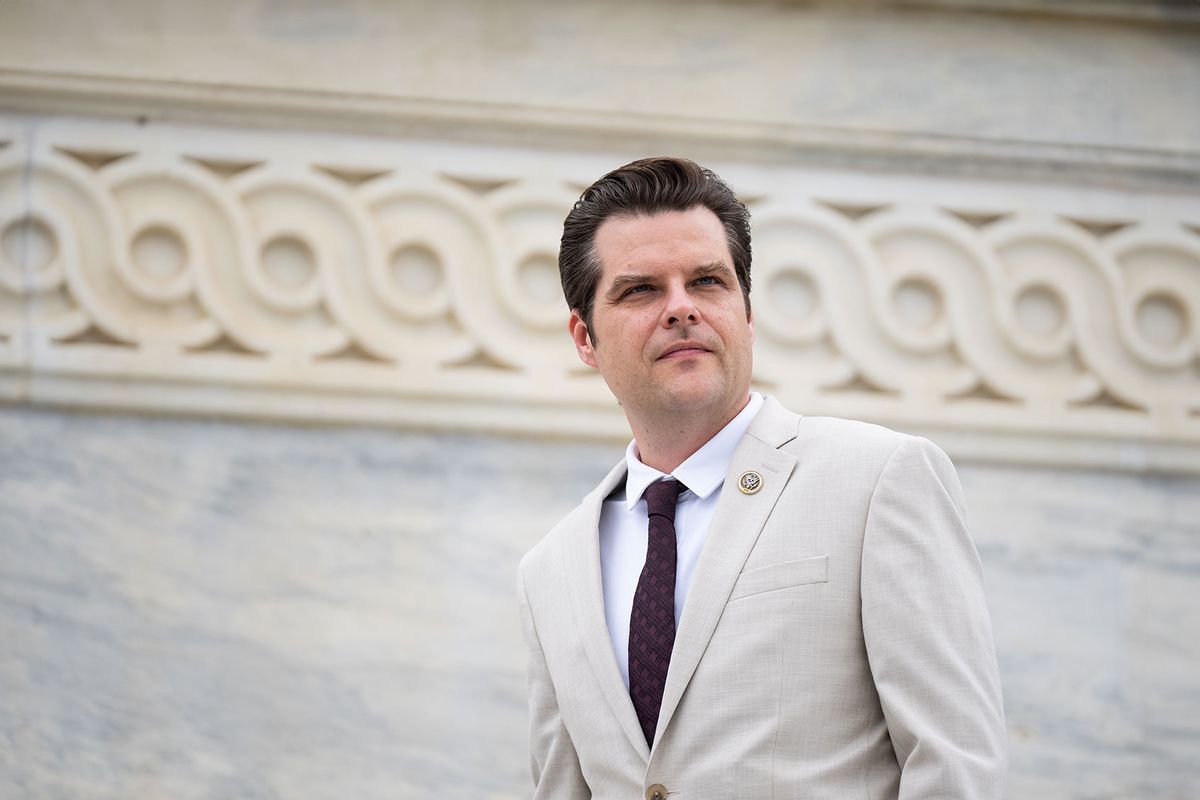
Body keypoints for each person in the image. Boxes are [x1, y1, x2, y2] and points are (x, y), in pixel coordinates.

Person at [517, 157, 1006, 799]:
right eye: (641, 290)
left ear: (746, 313)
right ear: (584, 338)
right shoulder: (550, 570)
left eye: (708, 281)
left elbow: (956, 769)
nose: (681, 308)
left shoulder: (879, 481)